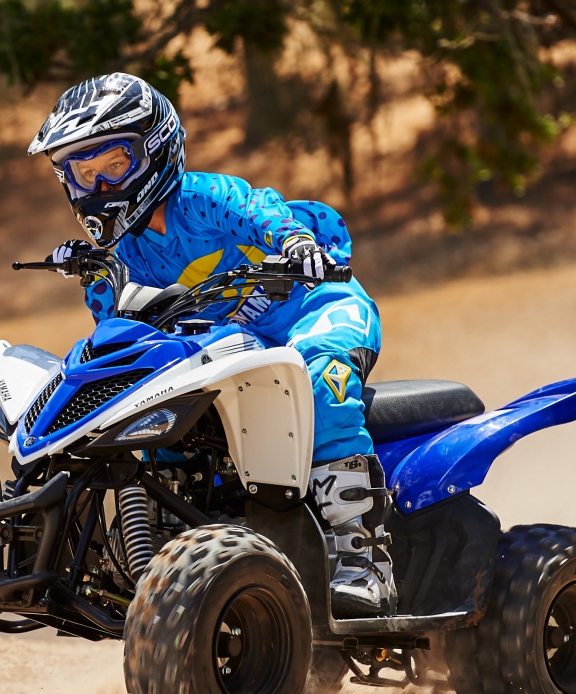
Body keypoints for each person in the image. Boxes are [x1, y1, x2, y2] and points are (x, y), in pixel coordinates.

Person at [29, 72, 394, 619]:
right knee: (159, 412)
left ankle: (364, 564)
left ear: (154, 152)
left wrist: (295, 242)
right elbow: (123, 344)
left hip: (315, 308)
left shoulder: (200, 198)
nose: (100, 187)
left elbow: (258, 209)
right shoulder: (115, 259)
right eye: (85, 174)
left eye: (114, 165)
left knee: (320, 384)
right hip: (236, 345)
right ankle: (167, 556)